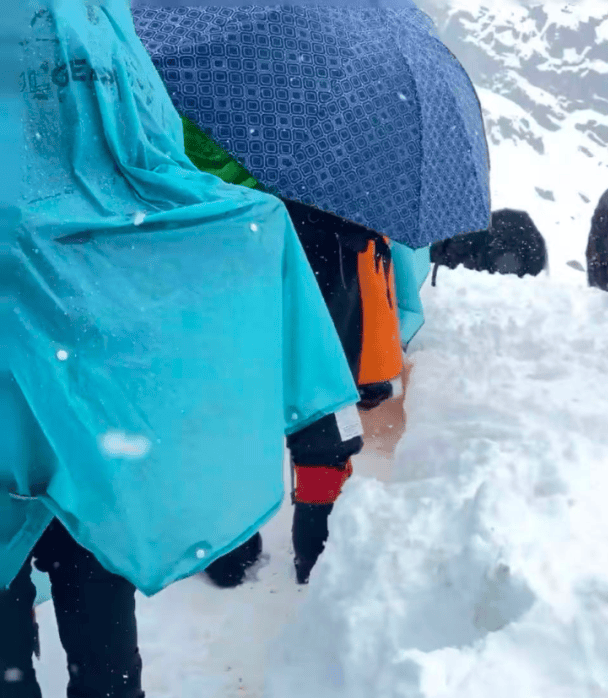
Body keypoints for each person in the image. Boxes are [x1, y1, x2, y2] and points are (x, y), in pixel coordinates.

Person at [0, 1, 361, 696]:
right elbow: (154, 155)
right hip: (95, 405)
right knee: (101, 626)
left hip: (68, 397)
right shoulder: (93, 21)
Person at [182, 116, 408, 586]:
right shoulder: (341, 121)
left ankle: (231, 552)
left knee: (237, 419)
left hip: (233, 274)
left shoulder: (201, 104)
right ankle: (317, 555)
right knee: (322, 423)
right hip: (327, 279)